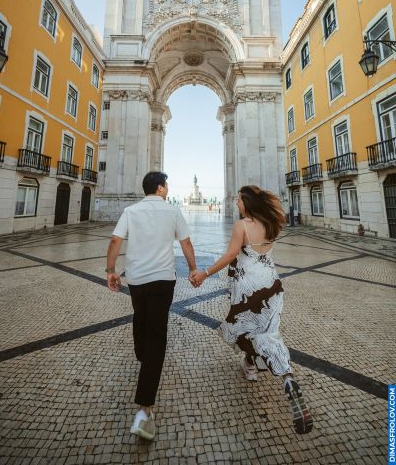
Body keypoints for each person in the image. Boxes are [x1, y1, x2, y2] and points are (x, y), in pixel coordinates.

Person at [190, 185, 313, 435]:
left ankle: (251, 364)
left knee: (244, 328)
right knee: (268, 332)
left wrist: (205, 273)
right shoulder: (271, 223)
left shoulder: (242, 226)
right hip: (272, 284)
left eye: (238, 199)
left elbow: (230, 256)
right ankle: (286, 377)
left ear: (246, 202)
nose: (236, 202)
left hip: (248, 288)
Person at [106, 171, 197, 441]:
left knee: (140, 318)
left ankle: (144, 358)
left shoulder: (131, 211)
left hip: (137, 280)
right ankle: (144, 410)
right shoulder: (172, 211)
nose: (168, 188)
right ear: (160, 188)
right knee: (156, 335)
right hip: (163, 281)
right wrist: (193, 269)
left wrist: (110, 270)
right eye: (166, 184)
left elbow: (114, 241)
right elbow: (187, 243)